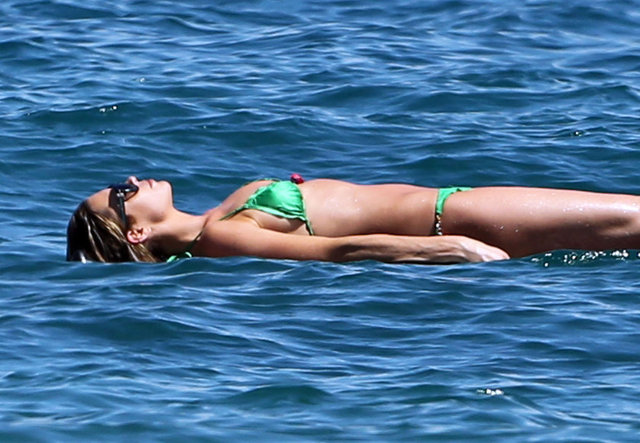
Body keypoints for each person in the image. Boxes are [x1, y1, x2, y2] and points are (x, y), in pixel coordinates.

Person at [66, 174, 640, 264]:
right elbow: (335, 251)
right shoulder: (221, 235)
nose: (133, 180)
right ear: (136, 231)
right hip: (453, 219)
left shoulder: (222, 215)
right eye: (121, 193)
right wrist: (448, 248)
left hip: (457, 207)